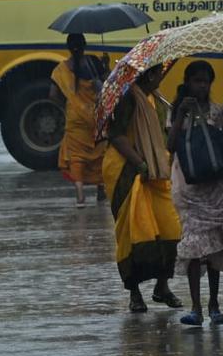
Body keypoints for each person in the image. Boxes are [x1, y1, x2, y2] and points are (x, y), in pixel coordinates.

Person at [167, 60, 223, 326]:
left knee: (216, 245)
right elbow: (170, 145)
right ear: (187, 82)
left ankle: (214, 304)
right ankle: (196, 307)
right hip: (190, 186)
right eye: (196, 81)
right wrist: (181, 115)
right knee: (194, 247)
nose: (201, 86)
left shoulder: (217, 111)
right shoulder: (177, 111)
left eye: (205, 81)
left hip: (217, 186)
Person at [104, 63, 183, 313]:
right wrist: (140, 163)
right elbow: (116, 136)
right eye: (159, 72)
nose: (162, 76)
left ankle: (162, 286)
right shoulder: (127, 97)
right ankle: (134, 293)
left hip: (157, 170)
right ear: (150, 74)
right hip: (127, 171)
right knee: (133, 232)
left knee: (169, 228)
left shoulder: (158, 99)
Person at [50, 34, 107, 207]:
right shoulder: (94, 63)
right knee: (99, 152)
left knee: (76, 156)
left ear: (68, 47)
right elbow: (108, 84)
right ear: (85, 45)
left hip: (75, 118)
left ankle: (80, 196)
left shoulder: (61, 69)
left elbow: (52, 95)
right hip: (96, 115)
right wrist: (106, 65)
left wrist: (67, 106)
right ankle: (101, 189)